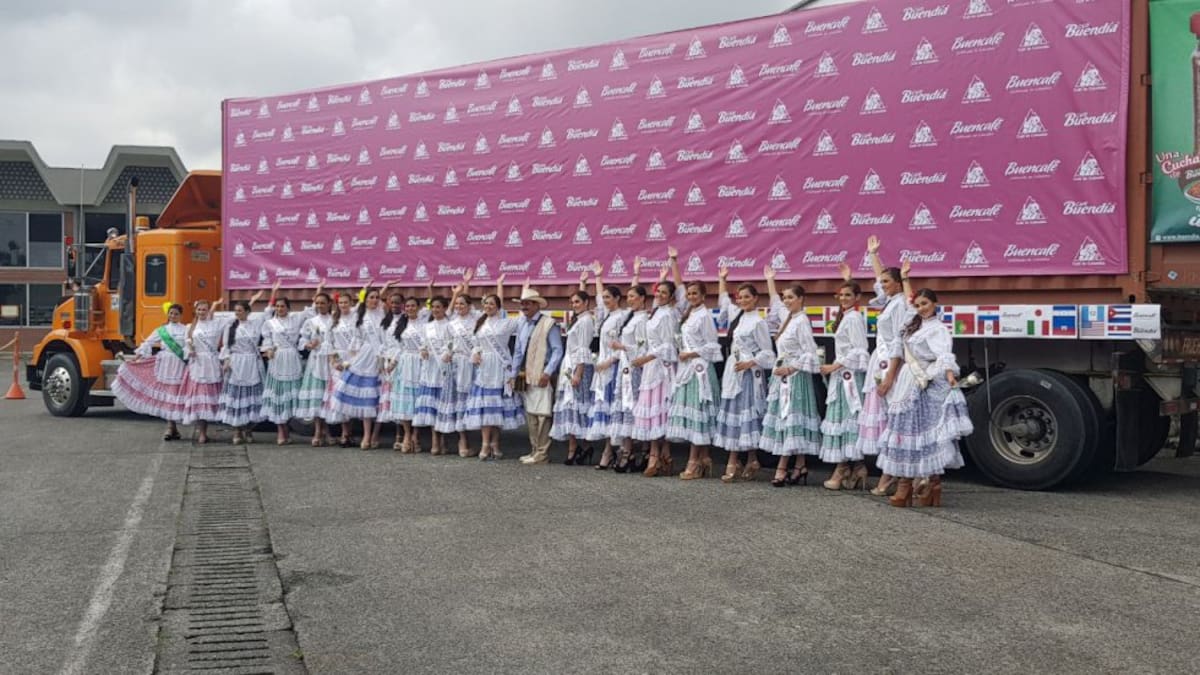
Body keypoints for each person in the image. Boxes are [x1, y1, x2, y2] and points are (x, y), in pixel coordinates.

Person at [877, 288, 972, 506]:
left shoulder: (939, 329)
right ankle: (913, 485)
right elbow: (897, 351)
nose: (921, 308)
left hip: (925, 380)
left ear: (935, 304)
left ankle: (925, 484)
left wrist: (950, 376)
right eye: (918, 305)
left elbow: (944, 355)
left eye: (925, 304)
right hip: (907, 380)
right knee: (906, 431)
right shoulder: (912, 325)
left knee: (923, 432)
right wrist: (889, 377)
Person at [854, 235, 912, 495]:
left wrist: (890, 376)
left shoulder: (899, 305)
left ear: (898, 284)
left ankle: (892, 476)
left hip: (891, 365)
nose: (882, 285)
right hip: (882, 362)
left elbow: (900, 341)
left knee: (893, 421)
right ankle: (891, 474)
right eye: (883, 282)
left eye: (888, 282)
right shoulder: (890, 301)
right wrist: (873, 255)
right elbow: (880, 279)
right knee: (887, 421)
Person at [760, 270, 823, 487]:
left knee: (789, 418)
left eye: (790, 297)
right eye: (785, 297)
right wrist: (770, 280)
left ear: (801, 299)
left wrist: (790, 368)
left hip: (794, 378)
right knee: (789, 419)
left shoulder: (801, 321)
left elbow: (810, 353)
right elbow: (775, 302)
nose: (786, 301)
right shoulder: (788, 317)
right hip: (783, 377)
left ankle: (782, 466)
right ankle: (800, 465)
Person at [713, 267, 776, 483]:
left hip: (749, 374)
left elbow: (768, 352)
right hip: (734, 370)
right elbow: (724, 302)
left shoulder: (758, 322)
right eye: (740, 297)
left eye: (747, 297)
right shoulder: (738, 316)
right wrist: (722, 279)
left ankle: (734, 460)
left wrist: (751, 362)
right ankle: (751, 459)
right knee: (736, 414)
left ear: (755, 298)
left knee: (744, 415)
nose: (742, 300)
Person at [666, 267, 722, 481]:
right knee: (695, 413)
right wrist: (673, 263)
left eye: (695, 293)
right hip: (687, 368)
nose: (690, 296)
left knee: (699, 412)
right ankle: (704, 458)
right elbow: (679, 289)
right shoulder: (689, 313)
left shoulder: (704, 316)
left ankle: (694, 460)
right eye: (689, 294)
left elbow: (712, 345)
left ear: (703, 295)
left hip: (699, 369)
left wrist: (691, 353)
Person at [632, 253, 683, 477]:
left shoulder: (669, 314)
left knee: (661, 409)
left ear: (671, 297)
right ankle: (662, 454)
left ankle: (658, 455)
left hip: (662, 368)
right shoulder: (655, 312)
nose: (660, 295)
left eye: (664, 292)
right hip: (651, 367)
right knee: (653, 411)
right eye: (658, 291)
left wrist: (647, 358)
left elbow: (668, 345)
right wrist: (660, 276)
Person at [819, 272, 871, 490]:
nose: (843, 298)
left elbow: (860, 350)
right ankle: (857, 467)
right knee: (844, 417)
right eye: (841, 295)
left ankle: (842, 468)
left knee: (848, 416)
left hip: (849, 376)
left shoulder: (854, 318)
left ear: (857, 297)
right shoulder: (846, 316)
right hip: (842, 374)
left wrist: (835, 366)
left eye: (848, 295)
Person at [464, 276, 524, 459]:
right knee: (486, 406)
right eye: (486, 303)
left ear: (498, 306)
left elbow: (524, 316)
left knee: (498, 407)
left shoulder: (507, 323)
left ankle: (495, 443)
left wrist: (522, 292)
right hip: (484, 367)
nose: (488, 306)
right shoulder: (480, 323)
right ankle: (484, 444)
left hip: (501, 366)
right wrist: (474, 353)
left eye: (492, 303)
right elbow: (475, 343)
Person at [111, 302, 189, 440]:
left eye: (176, 314)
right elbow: (148, 343)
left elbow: (190, 345)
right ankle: (170, 427)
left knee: (177, 395)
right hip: (165, 365)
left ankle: (175, 427)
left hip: (180, 365)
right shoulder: (162, 330)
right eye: (171, 313)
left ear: (180, 316)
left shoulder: (186, 329)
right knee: (167, 395)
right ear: (168, 314)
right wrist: (136, 358)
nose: (173, 316)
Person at [260, 282, 322, 445]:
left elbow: (313, 308)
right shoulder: (270, 323)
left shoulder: (296, 319)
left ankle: (288, 427)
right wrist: (269, 350)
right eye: (277, 306)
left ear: (288, 308)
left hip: (292, 359)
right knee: (278, 394)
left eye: (282, 306)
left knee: (291, 396)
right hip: (278, 359)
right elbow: (267, 341)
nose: (280, 309)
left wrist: (319, 290)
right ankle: (281, 430)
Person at [329, 283, 389, 450]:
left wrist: (385, 357)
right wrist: (349, 359)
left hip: (380, 356)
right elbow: (356, 340)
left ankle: (371, 435)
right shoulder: (359, 315)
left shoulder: (383, 313)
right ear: (365, 299)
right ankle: (358, 435)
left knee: (376, 397)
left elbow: (387, 337)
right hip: (363, 357)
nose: (374, 300)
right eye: (371, 297)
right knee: (363, 396)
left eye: (377, 297)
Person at [511, 282, 564, 465]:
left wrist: (547, 373)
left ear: (536, 305)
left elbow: (557, 350)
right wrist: (513, 373)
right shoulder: (522, 324)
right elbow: (518, 351)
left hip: (542, 373)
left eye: (527, 303)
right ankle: (535, 450)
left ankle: (542, 453)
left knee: (542, 414)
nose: (524, 306)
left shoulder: (549, 324)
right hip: (526, 374)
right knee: (531, 413)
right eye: (522, 303)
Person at [550, 271, 599, 465]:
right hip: (569, 364)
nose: (574, 305)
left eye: (577, 302)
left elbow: (584, 348)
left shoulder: (586, 321)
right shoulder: (578, 319)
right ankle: (573, 447)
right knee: (569, 406)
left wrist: (578, 373)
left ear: (586, 303)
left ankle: (584, 445)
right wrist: (582, 282)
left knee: (579, 405)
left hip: (579, 366)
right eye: (572, 302)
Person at [608, 260, 650, 472]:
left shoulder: (643, 320)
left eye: (634, 296)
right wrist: (635, 273)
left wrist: (622, 347)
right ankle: (627, 448)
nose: (630, 299)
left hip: (634, 368)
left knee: (631, 406)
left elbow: (643, 348)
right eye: (629, 296)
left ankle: (634, 450)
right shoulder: (630, 317)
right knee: (625, 406)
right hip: (625, 366)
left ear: (642, 299)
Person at [586, 264, 629, 470]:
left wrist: (609, 361)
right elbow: (597, 299)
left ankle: (612, 451)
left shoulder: (622, 316)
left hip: (613, 367)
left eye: (608, 297)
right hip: (602, 368)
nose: (604, 300)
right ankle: (609, 450)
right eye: (604, 298)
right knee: (604, 409)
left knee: (613, 409)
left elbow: (624, 345)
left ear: (617, 298)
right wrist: (598, 277)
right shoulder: (607, 316)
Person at [217, 291, 272, 444]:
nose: (237, 313)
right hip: (237, 363)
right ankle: (237, 431)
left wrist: (271, 294)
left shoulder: (255, 324)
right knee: (237, 396)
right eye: (236, 311)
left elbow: (268, 313)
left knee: (251, 397)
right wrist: (226, 360)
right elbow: (226, 347)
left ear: (248, 312)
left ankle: (249, 429)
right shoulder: (230, 327)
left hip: (252, 363)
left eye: (240, 311)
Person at [380, 296, 427, 453]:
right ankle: (407, 434)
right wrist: (392, 363)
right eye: (407, 306)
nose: (410, 308)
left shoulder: (425, 325)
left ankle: (416, 435)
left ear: (418, 307)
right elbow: (399, 348)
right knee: (405, 400)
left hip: (420, 363)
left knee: (417, 400)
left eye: (413, 305)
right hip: (405, 363)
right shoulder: (401, 324)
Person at [180, 298, 229, 444]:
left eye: (204, 309)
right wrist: (190, 351)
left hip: (212, 364)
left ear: (208, 311)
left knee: (211, 397)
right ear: (195, 311)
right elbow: (185, 346)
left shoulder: (216, 324)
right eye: (199, 309)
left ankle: (209, 430)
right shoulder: (190, 327)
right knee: (199, 398)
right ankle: (202, 433)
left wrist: (215, 306)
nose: (201, 312)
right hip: (198, 365)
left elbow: (233, 320)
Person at [445, 276, 481, 456]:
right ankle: (463, 441)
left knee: (474, 401)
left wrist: (466, 284)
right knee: (459, 401)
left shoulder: (475, 320)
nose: (459, 306)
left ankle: (483, 441)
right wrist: (448, 353)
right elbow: (448, 344)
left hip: (473, 365)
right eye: (457, 304)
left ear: (469, 306)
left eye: (462, 304)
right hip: (457, 366)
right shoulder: (452, 324)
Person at [414, 295, 454, 454]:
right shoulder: (427, 326)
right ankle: (434, 440)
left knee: (442, 405)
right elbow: (422, 344)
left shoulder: (450, 326)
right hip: (430, 369)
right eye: (433, 307)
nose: (435, 310)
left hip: (444, 368)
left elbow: (452, 344)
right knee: (432, 406)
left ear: (444, 308)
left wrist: (447, 352)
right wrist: (423, 349)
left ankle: (443, 440)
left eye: (438, 307)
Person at [296, 291, 335, 446]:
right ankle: (318, 430)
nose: (320, 306)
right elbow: (302, 340)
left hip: (330, 360)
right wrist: (308, 344)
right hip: (316, 360)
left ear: (329, 304)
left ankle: (327, 430)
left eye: (322, 303)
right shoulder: (311, 321)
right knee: (317, 397)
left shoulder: (335, 320)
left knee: (328, 396)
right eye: (317, 303)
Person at [324, 293, 358, 447]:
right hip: (338, 361)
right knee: (340, 395)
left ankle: (350, 432)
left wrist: (355, 359)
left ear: (351, 303)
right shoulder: (333, 320)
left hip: (354, 360)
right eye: (341, 302)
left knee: (351, 395)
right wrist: (333, 361)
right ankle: (345, 433)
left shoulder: (357, 319)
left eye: (346, 302)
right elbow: (328, 343)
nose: (343, 305)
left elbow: (361, 340)